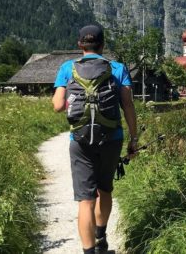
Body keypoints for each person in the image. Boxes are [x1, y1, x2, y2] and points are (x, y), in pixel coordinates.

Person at [52, 25, 138, 254]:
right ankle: (101, 238)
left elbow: (58, 106)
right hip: (112, 138)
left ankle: (89, 251)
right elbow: (128, 105)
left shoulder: (66, 68)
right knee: (105, 190)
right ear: (103, 45)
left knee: (85, 200)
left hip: (79, 140)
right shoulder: (118, 68)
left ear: (80, 44)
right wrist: (134, 139)